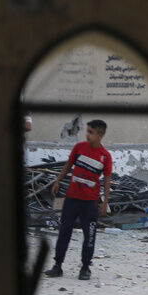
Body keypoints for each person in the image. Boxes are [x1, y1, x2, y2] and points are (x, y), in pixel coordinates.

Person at [44, 119, 112, 280]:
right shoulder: (79, 148)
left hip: (90, 202)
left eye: (90, 132)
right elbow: (68, 165)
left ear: (100, 135)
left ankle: (85, 268)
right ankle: (57, 266)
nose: (87, 135)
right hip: (72, 199)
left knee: (89, 235)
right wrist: (58, 180)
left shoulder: (105, 157)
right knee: (64, 233)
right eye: (87, 131)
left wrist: (105, 202)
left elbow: (107, 180)